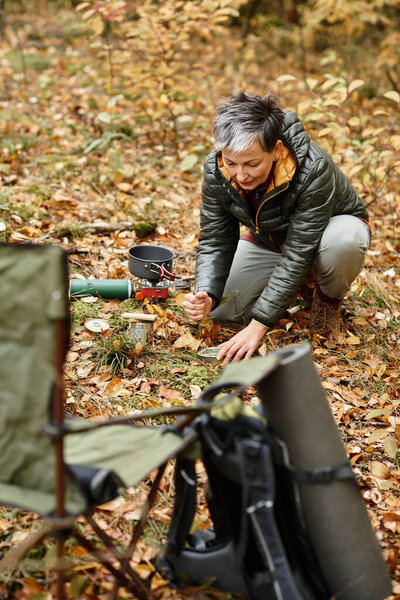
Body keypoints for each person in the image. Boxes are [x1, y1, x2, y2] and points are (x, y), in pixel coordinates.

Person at [183, 91, 370, 363]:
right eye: (231, 162)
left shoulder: (313, 169)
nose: (240, 174)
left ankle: (328, 299)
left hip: (325, 237)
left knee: (345, 241)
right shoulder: (216, 170)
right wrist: (206, 294)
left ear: (277, 150)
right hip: (271, 241)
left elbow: (299, 252)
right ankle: (299, 285)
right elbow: (215, 239)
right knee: (224, 311)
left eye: (252, 163)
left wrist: (259, 326)